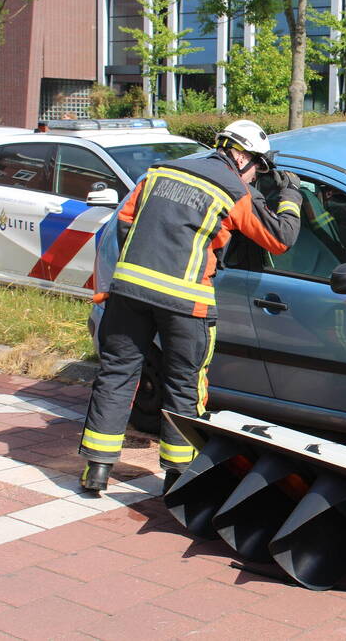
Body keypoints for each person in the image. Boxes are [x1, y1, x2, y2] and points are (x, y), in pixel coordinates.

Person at [78, 120, 303, 492]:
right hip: (186, 301)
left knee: (117, 376)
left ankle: (97, 469)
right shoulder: (232, 189)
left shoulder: (160, 172)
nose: (255, 177)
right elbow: (280, 239)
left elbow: (124, 221)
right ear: (242, 156)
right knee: (183, 384)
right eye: (257, 170)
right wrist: (290, 196)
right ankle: (177, 477)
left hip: (129, 293)